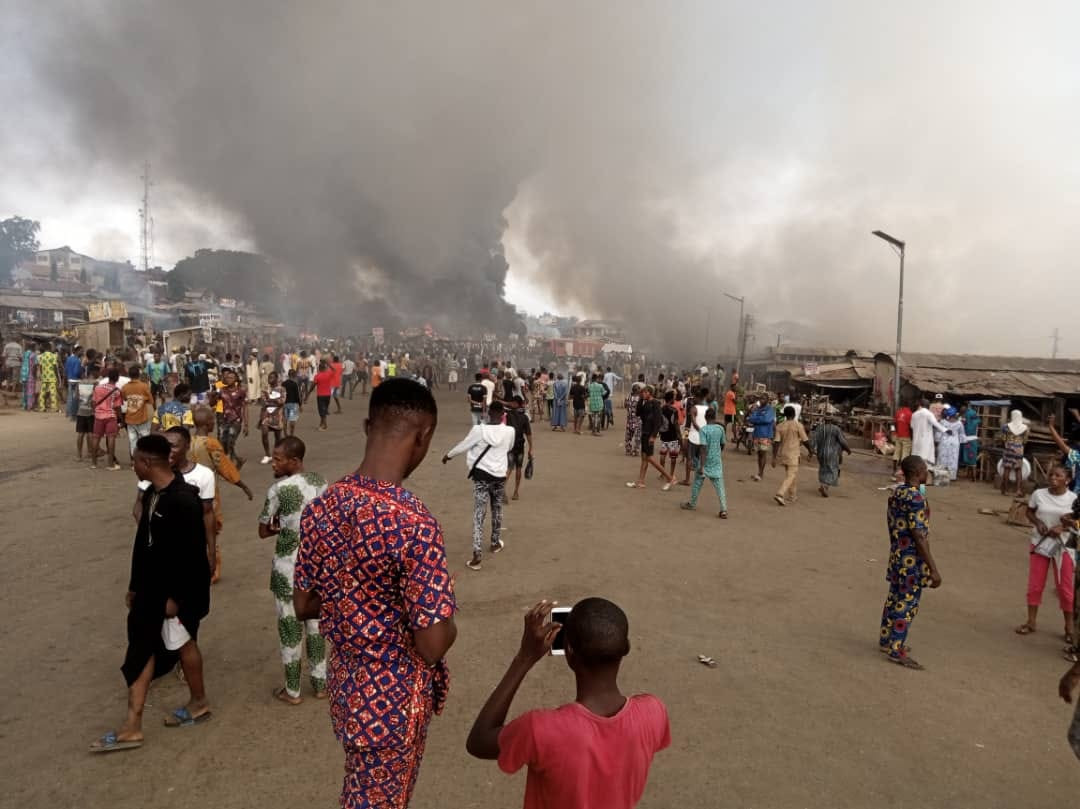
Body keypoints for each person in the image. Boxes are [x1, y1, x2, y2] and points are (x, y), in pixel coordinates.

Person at [293, 379, 457, 808]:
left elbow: (304, 604)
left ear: (368, 425)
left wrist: (350, 596)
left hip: (347, 690)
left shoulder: (321, 507)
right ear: (424, 437)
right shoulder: (414, 524)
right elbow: (433, 642)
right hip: (392, 703)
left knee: (361, 789)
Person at [466, 598, 670, 809]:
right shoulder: (654, 712)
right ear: (626, 647)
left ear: (569, 652)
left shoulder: (541, 730)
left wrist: (524, 658)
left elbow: (478, 742)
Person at [89, 434, 213, 753]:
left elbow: (193, 556)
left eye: (135, 461)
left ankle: (133, 726)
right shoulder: (152, 495)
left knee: (147, 650)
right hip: (150, 590)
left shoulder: (183, 500)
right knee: (176, 644)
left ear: (146, 462)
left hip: (170, 596)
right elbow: (143, 547)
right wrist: (134, 585)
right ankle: (197, 703)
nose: (133, 466)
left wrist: (177, 599)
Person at [258, 436, 328, 704]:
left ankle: (292, 690)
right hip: (318, 565)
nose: (273, 463)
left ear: (294, 460)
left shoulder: (280, 489)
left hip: (288, 565)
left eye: (278, 459)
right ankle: (320, 684)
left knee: (289, 626)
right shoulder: (321, 483)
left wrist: (278, 527)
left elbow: (264, 529)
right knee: (316, 624)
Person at [880, 454, 942, 670]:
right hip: (911, 560)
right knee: (907, 604)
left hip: (897, 554)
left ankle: (887, 639)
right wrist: (933, 569)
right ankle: (897, 649)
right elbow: (919, 535)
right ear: (917, 473)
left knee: (894, 598)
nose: (927, 473)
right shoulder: (916, 499)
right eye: (925, 470)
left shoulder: (898, 493)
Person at [443, 401, 516, 570]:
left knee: (478, 514)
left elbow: (464, 445)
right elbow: (509, 448)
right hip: (499, 476)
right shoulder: (509, 431)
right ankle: (495, 542)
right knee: (497, 509)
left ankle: (477, 553)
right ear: (503, 415)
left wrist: (449, 455)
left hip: (481, 477)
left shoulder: (479, 430)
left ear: (488, 413)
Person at [191, 406, 254, 584]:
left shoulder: (186, 442)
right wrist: (243, 486)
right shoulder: (211, 444)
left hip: (188, 495)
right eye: (212, 421)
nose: (213, 423)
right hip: (208, 494)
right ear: (208, 423)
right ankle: (212, 571)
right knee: (211, 533)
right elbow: (225, 468)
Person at [1015, 465, 1077, 642]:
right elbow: (1030, 511)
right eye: (1051, 474)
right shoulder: (1039, 494)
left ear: (1068, 480)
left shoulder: (1074, 498)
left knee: (1065, 588)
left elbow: (1076, 520)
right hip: (1040, 543)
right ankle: (1031, 621)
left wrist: (1063, 527)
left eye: (1058, 475)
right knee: (1035, 584)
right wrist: (1038, 523)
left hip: (1064, 545)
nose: (1053, 478)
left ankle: (1069, 627)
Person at [681, 408, 728, 517]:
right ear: (715, 417)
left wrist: (701, 466)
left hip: (705, 461)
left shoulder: (704, 430)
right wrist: (717, 453)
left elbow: (703, 448)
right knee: (719, 486)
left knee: (697, 483)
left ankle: (692, 503)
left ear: (706, 417)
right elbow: (723, 444)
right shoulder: (720, 429)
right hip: (716, 460)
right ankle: (723, 509)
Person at [627, 386, 676, 491]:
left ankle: (670, 477)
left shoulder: (655, 404)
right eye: (641, 393)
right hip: (645, 433)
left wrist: (654, 436)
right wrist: (640, 399)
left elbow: (658, 421)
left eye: (644, 393)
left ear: (649, 393)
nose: (642, 394)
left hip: (649, 434)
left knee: (649, 458)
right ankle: (640, 481)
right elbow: (638, 413)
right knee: (644, 458)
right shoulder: (645, 403)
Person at [773, 405, 810, 506]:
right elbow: (805, 440)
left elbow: (776, 442)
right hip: (793, 454)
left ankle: (792, 496)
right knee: (791, 475)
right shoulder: (798, 425)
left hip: (784, 453)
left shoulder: (780, 426)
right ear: (794, 414)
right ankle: (780, 494)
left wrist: (774, 457)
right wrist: (811, 451)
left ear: (785, 415)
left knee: (791, 474)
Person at [90, 366, 123, 470]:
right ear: (117, 378)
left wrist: (95, 411)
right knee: (111, 438)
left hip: (98, 416)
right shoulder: (117, 391)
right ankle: (110, 464)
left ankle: (94, 463)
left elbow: (93, 402)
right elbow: (117, 407)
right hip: (110, 416)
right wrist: (121, 419)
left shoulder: (98, 388)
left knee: (96, 438)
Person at [810, 416, 851, 497]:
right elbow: (842, 441)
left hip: (821, 453)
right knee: (832, 470)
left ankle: (822, 485)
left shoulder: (819, 428)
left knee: (823, 468)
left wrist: (811, 451)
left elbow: (813, 440)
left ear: (824, 420)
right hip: (832, 453)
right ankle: (825, 486)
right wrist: (848, 450)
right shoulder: (836, 429)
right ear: (832, 421)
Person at [214, 368, 248, 465]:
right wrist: (212, 396)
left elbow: (245, 408)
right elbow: (213, 402)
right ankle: (238, 460)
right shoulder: (221, 391)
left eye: (231, 378)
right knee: (222, 443)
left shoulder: (241, 392)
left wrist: (246, 424)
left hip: (236, 420)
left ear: (236, 379)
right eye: (227, 378)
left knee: (230, 441)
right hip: (224, 420)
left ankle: (229, 466)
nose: (229, 379)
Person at [121, 365, 154, 459]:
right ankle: (145, 459)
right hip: (142, 417)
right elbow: (151, 401)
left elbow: (123, 398)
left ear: (129, 375)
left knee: (132, 440)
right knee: (144, 439)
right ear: (139, 375)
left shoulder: (125, 387)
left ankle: (135, 461)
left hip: (130, 417)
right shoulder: (144, 386)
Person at [505, 396, 534, 502]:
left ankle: (503, 489)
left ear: (516, 404)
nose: (511, 404)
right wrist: (531, 448)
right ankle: (515, 492)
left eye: (512, 402)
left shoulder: (507, 416)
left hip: (510, 446)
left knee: (509, 468)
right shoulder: (524, 417)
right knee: (518, 468)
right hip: (520, 446)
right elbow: (528, 434)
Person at [74, 364, 100, 461]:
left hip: (81, 410)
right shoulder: (95, 383)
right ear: (94, 372)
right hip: (91, 411)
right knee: (90, 433)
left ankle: (79, 455)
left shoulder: (79, 383)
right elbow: (96, 398)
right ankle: (90, 452)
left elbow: (76, 397)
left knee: (80, 433)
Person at [258, 371, 286, 463]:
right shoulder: (265, 389)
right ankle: (267, 454)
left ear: (277, 379)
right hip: (266, 414)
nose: (270, 379)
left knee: (278, 437)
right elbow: (264, 402)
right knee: (264, 433)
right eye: (269, 378)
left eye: (272, 378)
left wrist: (270, 398)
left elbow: (282, 401)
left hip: (277, 415)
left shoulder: (282, 389)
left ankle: (276, 454)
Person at [747, 395, 776, 482]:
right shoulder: (758, 409)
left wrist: (757, 419)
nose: (761, 400)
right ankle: (759, 472)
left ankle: (761, 474)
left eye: (763, 398)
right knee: (759, 454)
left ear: (767, 400)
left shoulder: (770, 409)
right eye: (761, 399)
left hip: (765, 435)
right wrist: (759, 419)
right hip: (757, 434)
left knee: (763, 454)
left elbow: (767, 420)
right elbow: (751, 418)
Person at [1001, 409, 1030, 496]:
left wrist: (1008, 444)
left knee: (1007, 468)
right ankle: (1018, 490)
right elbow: (1025, 441)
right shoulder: (1025, 428)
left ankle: (1005, 490)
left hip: (1008, 448)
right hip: (1019, 449)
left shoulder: (1005, 427)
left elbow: (1003, 439)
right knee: (1018, 470)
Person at [658, 390, 683, 481]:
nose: (674, 398)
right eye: (674, 397)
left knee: (663, 455)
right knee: (673, 457)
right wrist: (679, 436)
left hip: (664, 435)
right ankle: (671, 475)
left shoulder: (661, 409)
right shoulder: (674, 410)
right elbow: (676, 424)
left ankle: (662, 473)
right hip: (673, 436)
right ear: (671, 398)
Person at [305, 359, 335, 432]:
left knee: (322, 411)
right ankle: (321, 424)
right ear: (325, 368)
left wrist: (308, 394)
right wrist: (328, 364)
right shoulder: (328, 374)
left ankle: (325, 425)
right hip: (328, 395)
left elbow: (312, 386)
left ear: (319, 368)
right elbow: (334, 370)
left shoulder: (317, 376)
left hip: (320, 395)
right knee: (324, 410)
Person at [937, 407, 964, 482]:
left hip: (944, 442)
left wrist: (937, 440)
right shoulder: (959, 423)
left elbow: (938, 433)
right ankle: (952, 476)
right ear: (955, 414)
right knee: (953, 459)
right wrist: (963, 441)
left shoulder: (942, 422)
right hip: (954, 443)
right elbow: (962, 434)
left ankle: (941, 475)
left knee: (942, 458)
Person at [910, 400, 937, 465]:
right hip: (926, 441)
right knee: (924, 460)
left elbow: (912, 426)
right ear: (928, 406)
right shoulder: (930, 414)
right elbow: (935, 425)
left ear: (920, 405)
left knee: (916, 460)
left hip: (916, 440)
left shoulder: (914, 414)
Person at [36, 343, 60, 413]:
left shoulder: (40, 356)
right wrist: (57, 376)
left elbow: (40, 367)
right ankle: (54, 408)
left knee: (42, 392)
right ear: (50, 348)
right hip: (52, 376)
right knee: (53, 392)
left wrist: (41, 374)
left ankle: (42, 407)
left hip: (44, 376)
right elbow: (55, 367)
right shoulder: (53, 356)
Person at [960, 403, 981, 478]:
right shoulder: (968, 415)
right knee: (970, 457)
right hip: (968, 439)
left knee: (971, 457)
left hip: (970, 438)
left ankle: (973, 476)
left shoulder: (970, 415)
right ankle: (972, 476)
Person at [892, 400, 913, 471]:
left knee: (897, 451)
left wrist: (894, 432)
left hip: (898, 435)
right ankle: (902, 470)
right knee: (905, 453)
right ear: (909, 406)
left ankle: (894, 468)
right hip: (906, 436)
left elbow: (894, 423)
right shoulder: (910, 414)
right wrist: (911, 436)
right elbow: (911, 426)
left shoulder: (898, 412)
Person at [64, 346, 84, 419]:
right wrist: (81, 373)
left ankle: (68, 412)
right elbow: (76, 372)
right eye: (81, 351)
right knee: (76, 398)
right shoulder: (77, 360)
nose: (82, 352)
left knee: (70, 397)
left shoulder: (68, 359)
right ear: (77, 351)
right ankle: (74, 413)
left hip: (70, 380)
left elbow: (65, 370)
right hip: (76, 381)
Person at [623, 383, 642, 455]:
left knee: (628, 436)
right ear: (638, 391)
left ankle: (628, 449)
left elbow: (625, 406)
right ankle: (636, 450)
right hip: (638, 420)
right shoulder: (640, 399)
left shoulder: (628, 398)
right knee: (637, 436)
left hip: (630, 420)